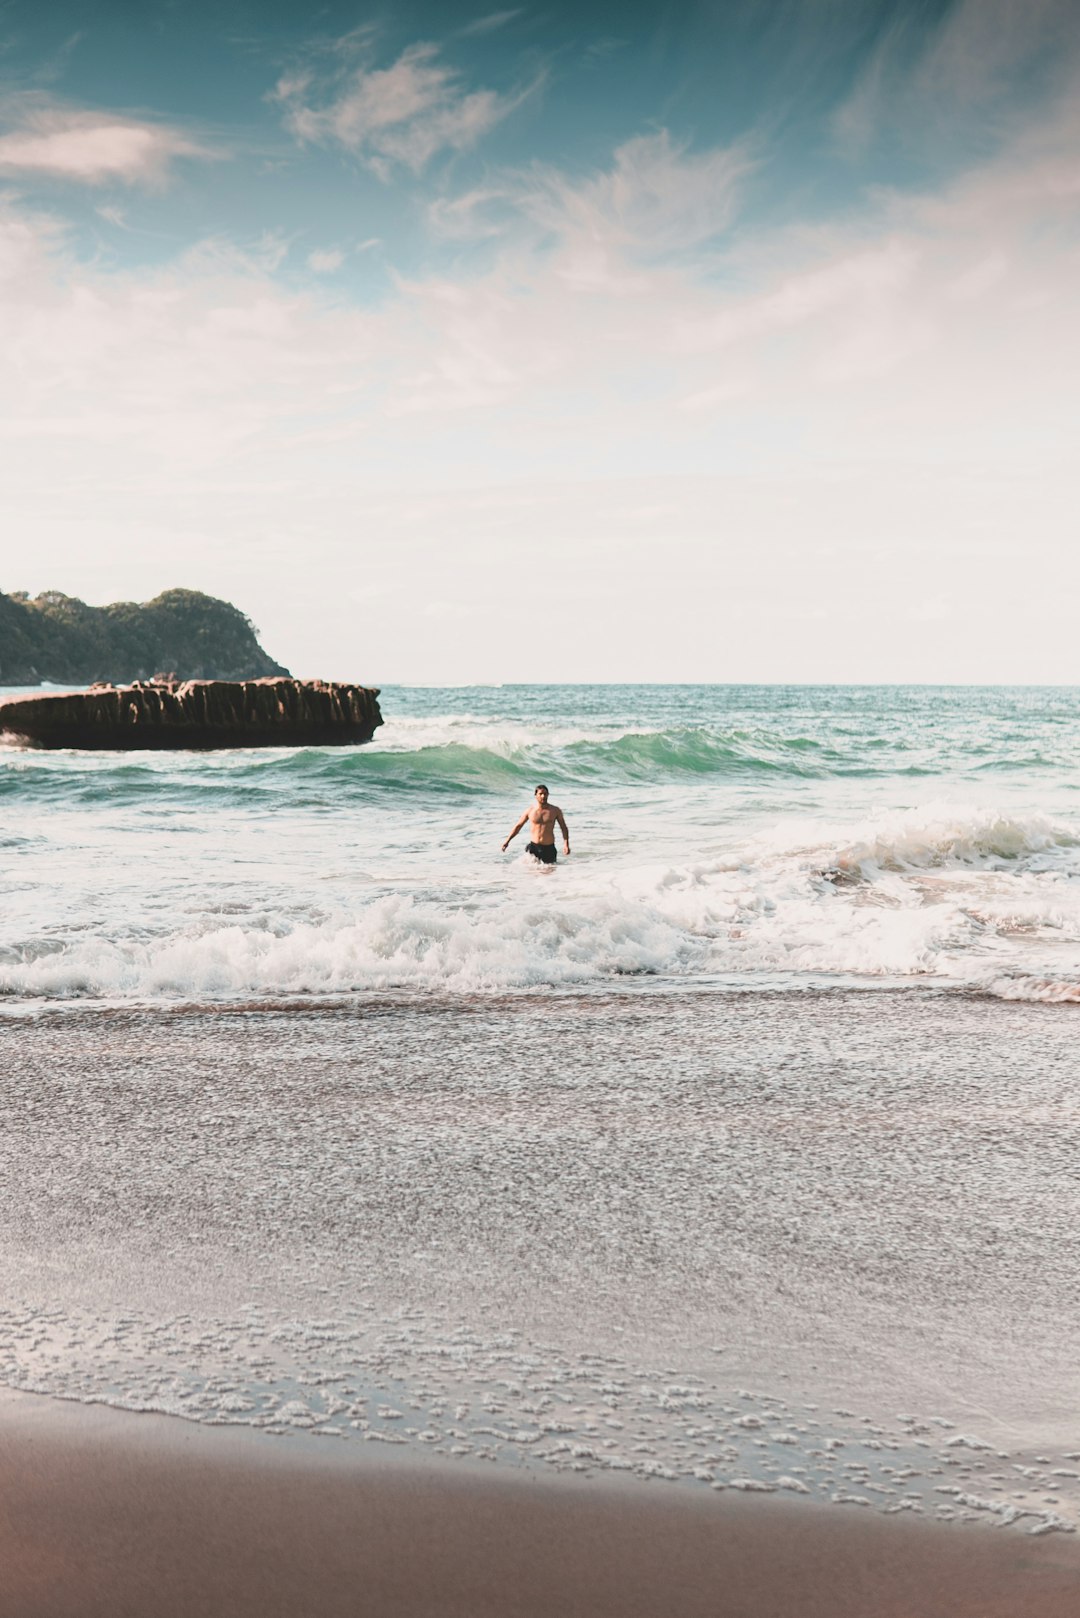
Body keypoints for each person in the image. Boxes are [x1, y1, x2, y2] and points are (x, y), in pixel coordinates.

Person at [501, 784, 570, 865]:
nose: (543, 796)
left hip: (549, 848)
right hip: (533, 848)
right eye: (540, 794)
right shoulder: (530, 810)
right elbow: (518, 826)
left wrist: (566, 844)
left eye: (545, 793)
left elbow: (563, 827)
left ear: (548, 794)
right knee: (531, 875)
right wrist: (507, 841)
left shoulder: (555, 810)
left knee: (549, 875)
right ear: (536, 795)